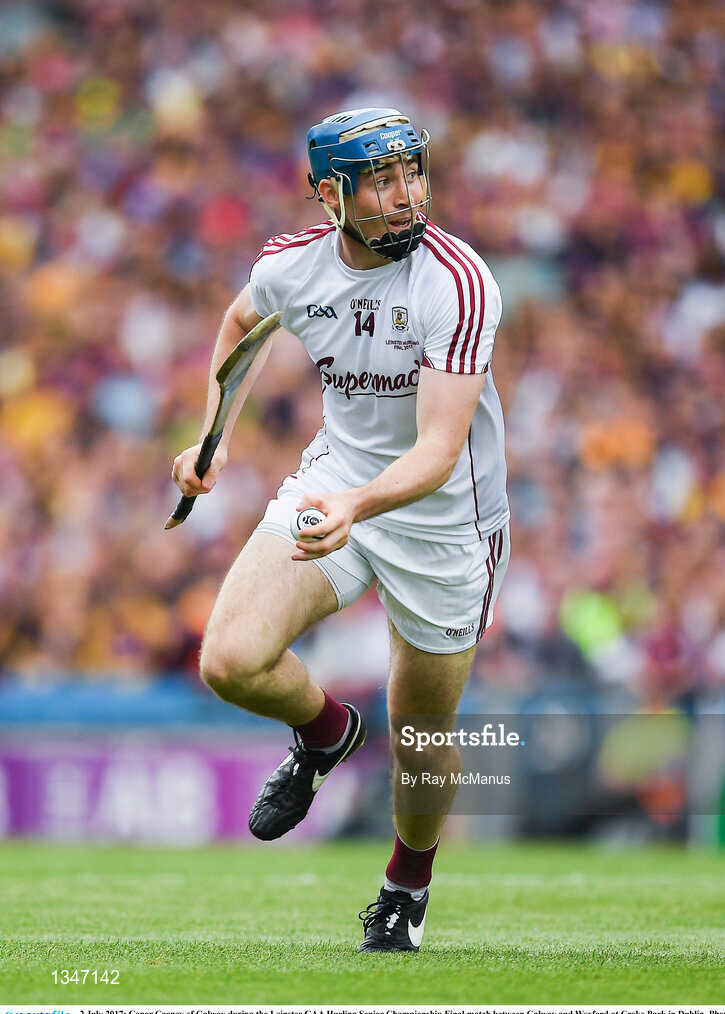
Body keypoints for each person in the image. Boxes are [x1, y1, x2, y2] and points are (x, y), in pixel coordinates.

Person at [170, 107, 509, 952]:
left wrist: (357, 510)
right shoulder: (292, 267)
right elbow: (241, 324)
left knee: (423, 740)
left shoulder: (457, 282)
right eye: (382, 181)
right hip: (337, 477)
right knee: (229, 660)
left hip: (444, 520)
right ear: (330, 194)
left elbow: (437, 449)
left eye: (413, 174)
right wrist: (211, 435)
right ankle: (326, 734)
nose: (406, 196)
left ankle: (404, 889)